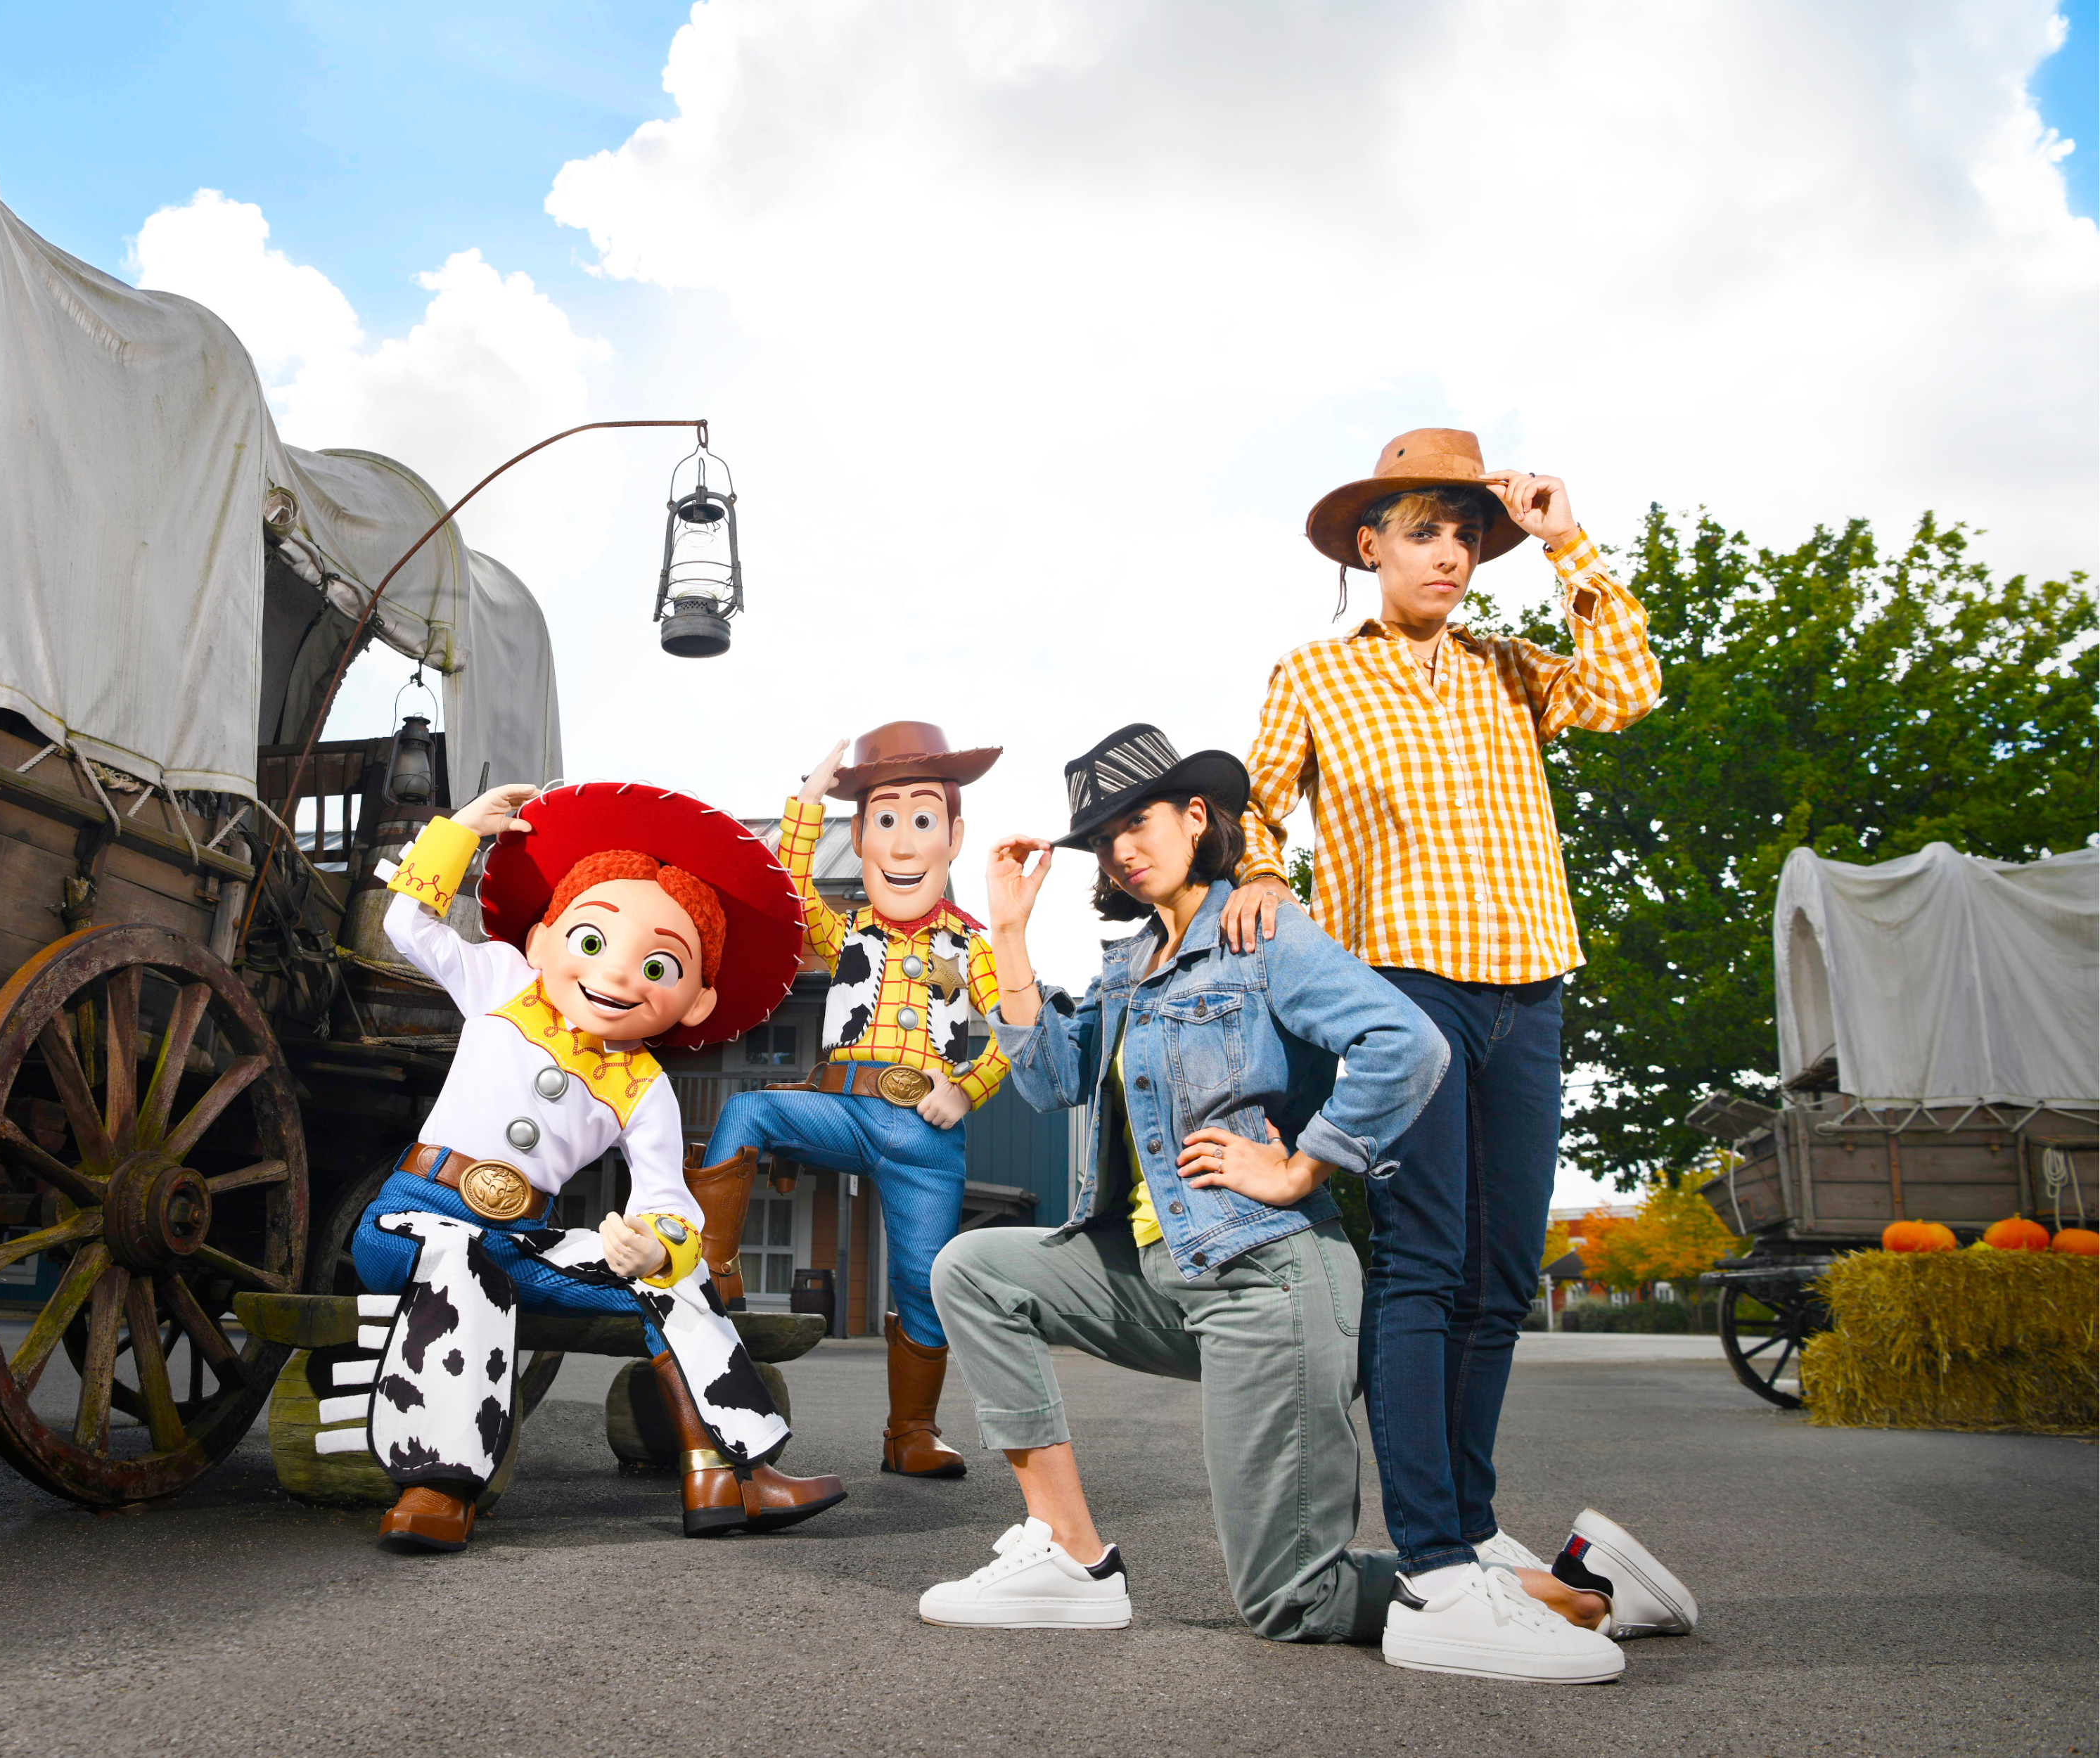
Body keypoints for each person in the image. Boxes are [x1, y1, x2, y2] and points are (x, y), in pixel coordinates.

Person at [917, 724, 1620, 1675]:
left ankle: (1557, 1595)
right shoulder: (1129, 967)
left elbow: (1407, 1043)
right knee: (975, 1269)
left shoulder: (1262, 932)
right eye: (1105, 836)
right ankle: (1072, 1555)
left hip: (1266, 1283)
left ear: (1195, 818)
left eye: (1140, 820)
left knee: (1292, 1601)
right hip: (1164, 1277)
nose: (1123, 848)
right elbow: (1050, 1085)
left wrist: (1304, 1167)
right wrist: (1007, 931)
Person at [1222, 430, 1698, 1678]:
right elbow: (1259, 805)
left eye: (1467, 534)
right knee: (1426, 1265)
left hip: (1529, 984)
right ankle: (1431, 1561)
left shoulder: (1512, 668)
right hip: (1405, 992)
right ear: (1368, 544)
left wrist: (1563, 540)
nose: (1449, 553)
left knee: (1500, 1270)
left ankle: (1477, 1530)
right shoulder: (1316, 675)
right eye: (1425, 530)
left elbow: (1630, 687)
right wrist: (1265, 874)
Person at [339, 779, 845, 1551]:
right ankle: (436, 1482)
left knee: (674, 1275)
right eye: (591, 942)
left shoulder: (645, 1086)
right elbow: (409, 921)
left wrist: (658, 1242)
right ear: (543, 942)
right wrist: (461, 832)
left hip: (519, 1241)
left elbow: (667, 1196)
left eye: (659, 967)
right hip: (411, 1219)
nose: (615, 977)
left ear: (698, 1001)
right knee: (461, 1258)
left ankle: (728, 1472)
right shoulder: (504, 984)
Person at [703, 721, 1011, 1477]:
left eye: (921, 820)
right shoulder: (843, 933)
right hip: (843, 1105)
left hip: (925, 1133)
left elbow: (1014, 1035)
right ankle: (711, 1266)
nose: (903, 845)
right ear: (864, 837)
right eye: (884, 820)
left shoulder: (974, 946)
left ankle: (910, 1432)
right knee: (748, 1111)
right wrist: (808, 801)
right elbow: (789, 889)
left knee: (922, 1282)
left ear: (953, 836)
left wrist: (967, 1089)